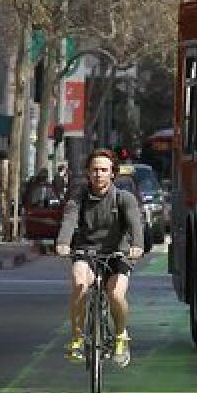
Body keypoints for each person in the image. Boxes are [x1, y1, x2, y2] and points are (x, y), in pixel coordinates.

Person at [56, 150, 145, 368]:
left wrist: (137, 246)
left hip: (118, 254)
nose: (99, 175)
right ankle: (77, 339)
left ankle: (121, 336)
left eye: (104, 170)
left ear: (113, 173)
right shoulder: (79, 197)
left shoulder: (124, 198)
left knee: (115, 293)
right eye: (95, 170)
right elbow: (69, 221)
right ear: (88, 172)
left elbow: (135, 225)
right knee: (79, 282)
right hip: (87, 252)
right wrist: (63, 242)